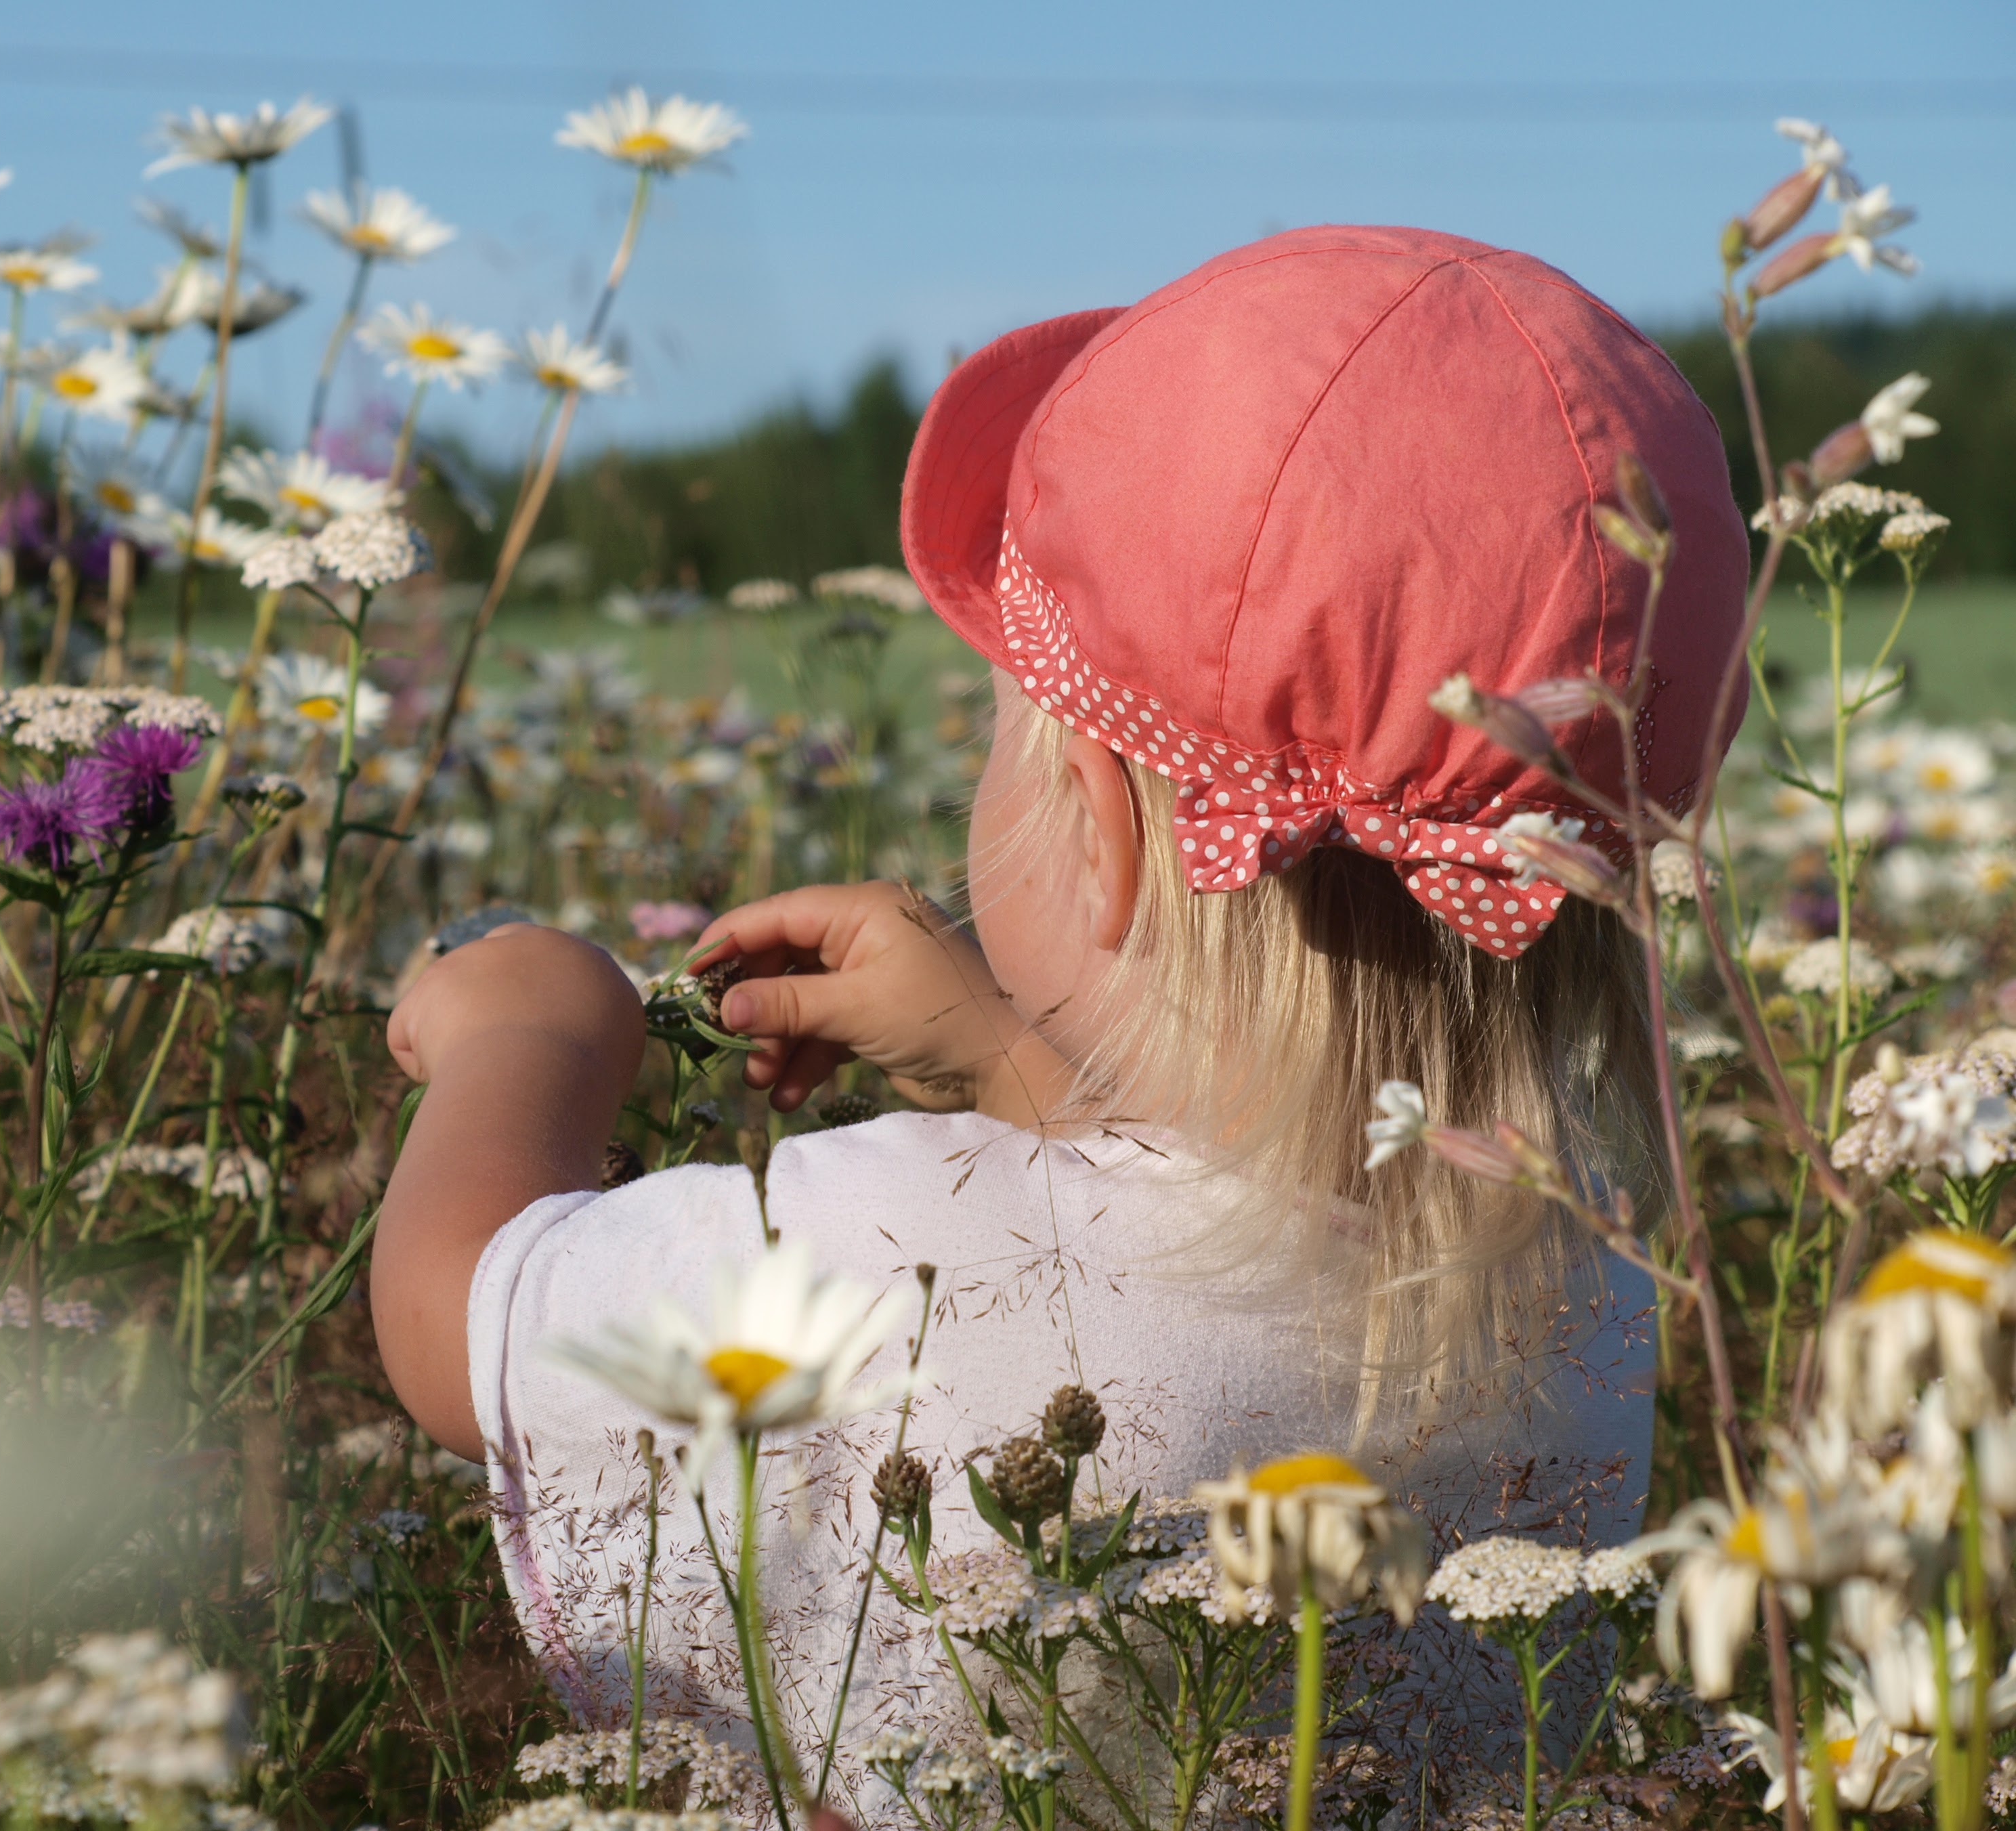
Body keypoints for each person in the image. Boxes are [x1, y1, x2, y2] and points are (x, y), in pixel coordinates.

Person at [371, 225, 1746, 1813]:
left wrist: (528, 1035)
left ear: (1093, 818)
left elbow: (452, 1324)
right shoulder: (1570, 1269)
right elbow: (1230, 1239)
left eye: (1002, 727)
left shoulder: (870, 1264)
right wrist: (1014, 1071)